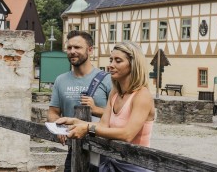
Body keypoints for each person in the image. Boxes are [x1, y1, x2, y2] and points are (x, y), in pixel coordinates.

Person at [57, 41, 156, 172]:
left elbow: (127, 134)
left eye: (118, 61)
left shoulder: (142, 95)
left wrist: (86, 128)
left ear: (133, 65)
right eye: (111, 60)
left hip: (134, 165)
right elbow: (103, 125)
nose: (111, 65)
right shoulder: (115, 93)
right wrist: (75, 122)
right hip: (112, 160)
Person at [49, 30, 112, 172]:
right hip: (74, 149)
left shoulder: (107, 79)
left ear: (90, 50)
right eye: (69, 47)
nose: (72, 51)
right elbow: (53, 112)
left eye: (77, 47)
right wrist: (58, 127)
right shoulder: (61, 80)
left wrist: (96, 110)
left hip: (102, 152)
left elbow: (119, 115)